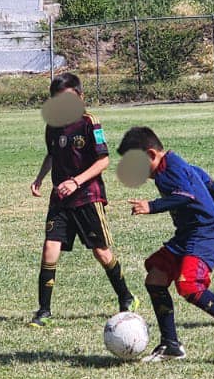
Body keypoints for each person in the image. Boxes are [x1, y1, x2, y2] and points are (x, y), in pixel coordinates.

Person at [117, 126, 214, 362]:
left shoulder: (169, 170)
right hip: (187, 234)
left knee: (190, 286)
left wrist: (152, 206)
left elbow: (186, 196)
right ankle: (171, 345)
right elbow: (207, 180)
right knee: (155, 278)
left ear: (151, 154)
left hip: (204, 234)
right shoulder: (174, 164)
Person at [29, 73, 135, 327]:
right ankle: (44, 310)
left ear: (80, 97)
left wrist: (76, 181)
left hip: (88, 197)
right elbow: (52, 154)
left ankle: (126, 296)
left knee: (101, 252)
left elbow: (104, 161)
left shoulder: (90, 123)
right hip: (60, 200)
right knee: (49, 249)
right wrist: (40, 178)